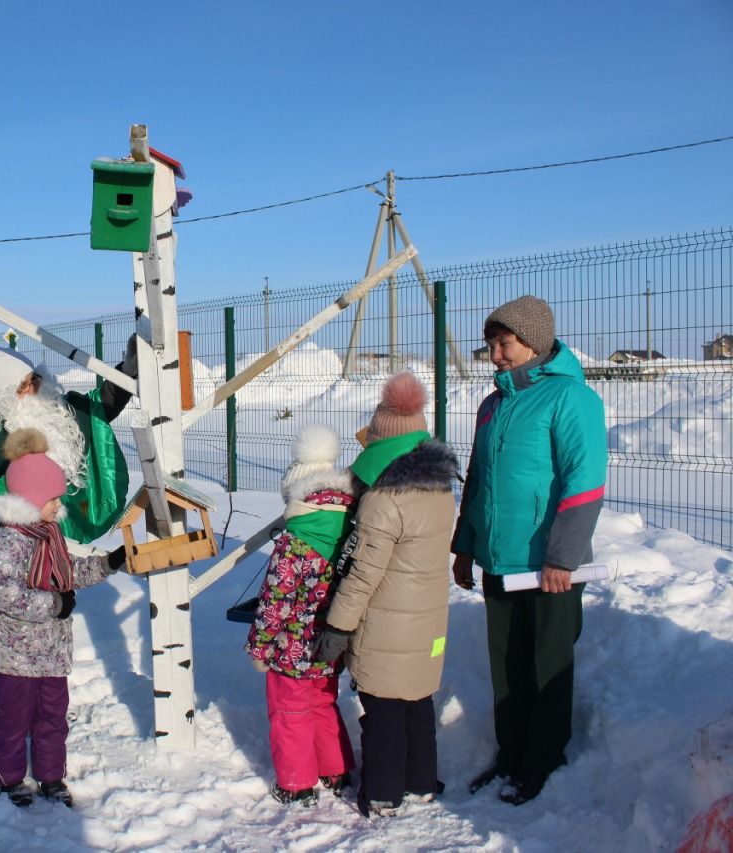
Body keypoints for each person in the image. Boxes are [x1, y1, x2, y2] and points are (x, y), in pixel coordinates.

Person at [450, 295, 607, 806]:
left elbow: (585, 483)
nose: (495, 354)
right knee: (508, 667)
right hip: (499, 561)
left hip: (547, 566)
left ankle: (542, 761)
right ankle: (511, 755)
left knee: (545, 667)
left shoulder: (571, 398)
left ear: (534, 342)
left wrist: (563, 557)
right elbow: (479, 482)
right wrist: (465, 548)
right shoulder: (493, 404)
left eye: (504, 344)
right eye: (491, 344)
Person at [312, 372, 458, 818]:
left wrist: (337, 626)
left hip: (387, 627)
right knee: (417, 704)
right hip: (429, 622)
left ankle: (381, 792)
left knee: (383, 712)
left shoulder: (383, 501)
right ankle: (420, 782)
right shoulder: (439, 490)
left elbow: (362, 576)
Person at [0, 427, 125, 808]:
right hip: (16, 653)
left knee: (52, 717)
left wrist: (107, 564)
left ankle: (50, 775)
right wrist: (53, 606)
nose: (59, 506)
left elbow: (67, 573)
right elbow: (5, 591)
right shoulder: (11, 540)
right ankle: (8, 778)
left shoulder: (48, 534)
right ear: (31, 497)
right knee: (13, 718)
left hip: (51, 652)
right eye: (53, 499)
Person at [0, 344, 135, 557]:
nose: (33, 389)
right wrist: (22, 503)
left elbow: (98, 406)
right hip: (23, 540)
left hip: (67, 524)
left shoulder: (57, 409)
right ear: (5, 394)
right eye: (23, 385)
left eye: (35, 379)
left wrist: (127, 372)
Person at [245, 424, 357, 807]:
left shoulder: (295, 542)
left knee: (290, 712)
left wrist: (259, 646)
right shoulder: (348, 529)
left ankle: (296, 782)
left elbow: (275, 601)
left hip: (290, 648)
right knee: (324, 705)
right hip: (330, 642)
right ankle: (336, 769)